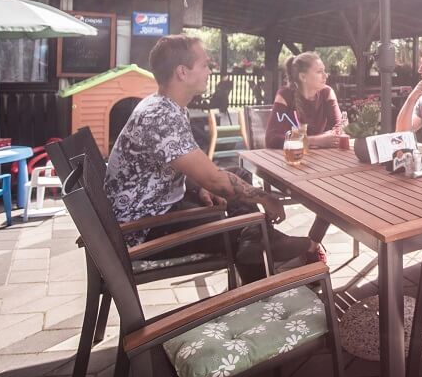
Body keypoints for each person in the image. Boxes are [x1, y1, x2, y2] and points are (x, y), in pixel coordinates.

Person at [104, 35, 318, 279]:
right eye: (204, 65)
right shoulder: (161, 116)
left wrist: (199, 186)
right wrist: (267, 198)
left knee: (237, 175)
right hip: (144, 230)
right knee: (237, 217)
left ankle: (255, 240)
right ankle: (260, 250)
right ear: (182, 72)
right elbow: (216, 181)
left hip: (156, 209)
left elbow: (187, 168)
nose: (210, 71)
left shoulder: (165, 106)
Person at [265, 52, 343, 149]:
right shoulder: (285, 95)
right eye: (319, 72)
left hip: (321, 155)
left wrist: (316, 140)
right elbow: (271, 139)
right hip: (290, 156)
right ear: (303, 77)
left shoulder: (327, 93)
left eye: (324, 71)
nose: (325, 75)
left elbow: (340, 129)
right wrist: (317, 140)